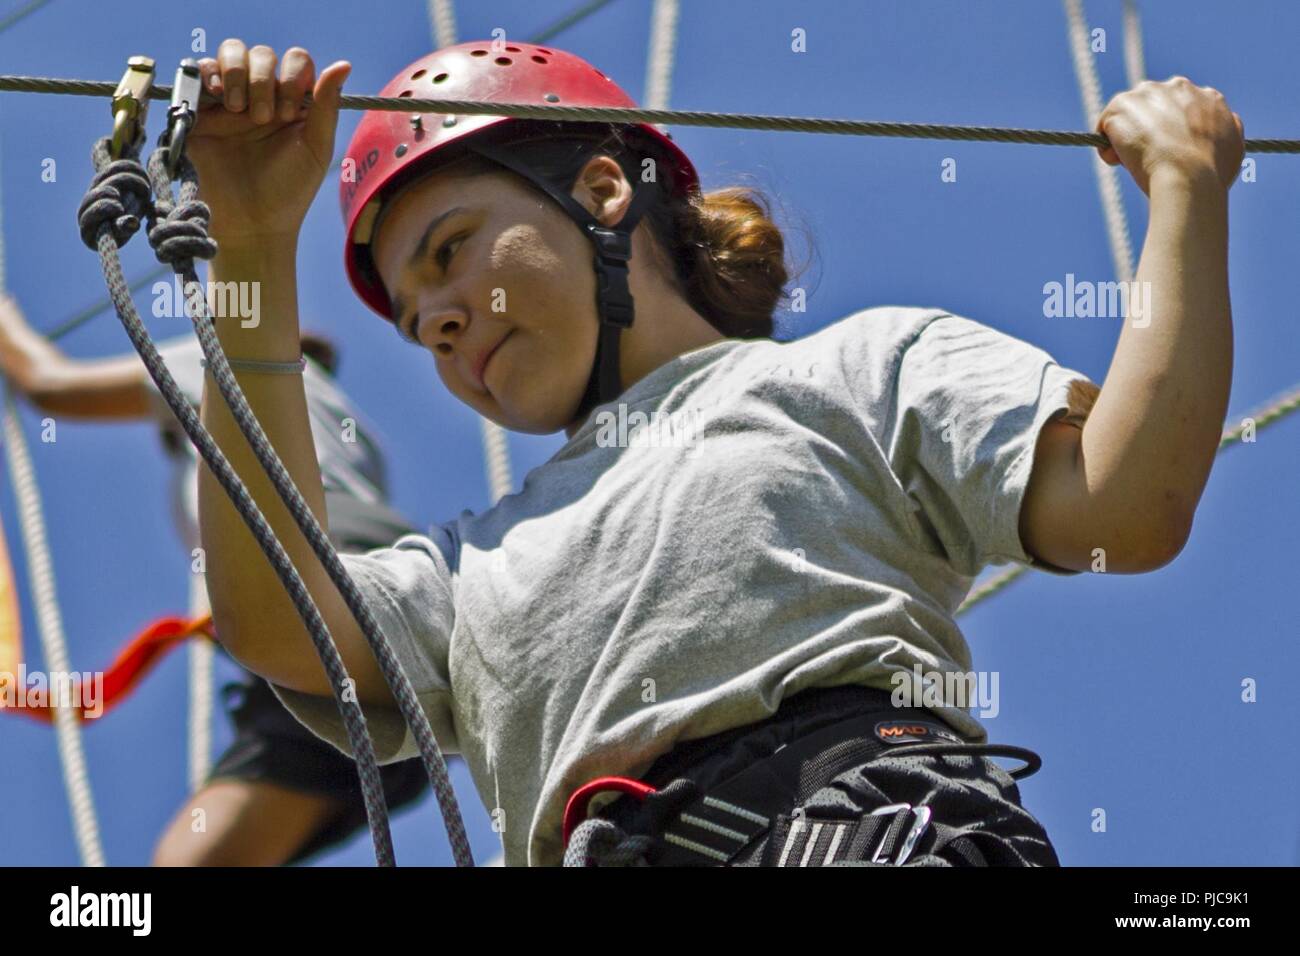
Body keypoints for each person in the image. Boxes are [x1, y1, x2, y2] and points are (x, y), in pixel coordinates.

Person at [185, 39, 1240, 866]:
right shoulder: (467, 572)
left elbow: (1122, 506)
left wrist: (1185, 189)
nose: (441, 326)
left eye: (451, 252)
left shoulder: (858, 368)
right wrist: (249, 245)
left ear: (604, 191)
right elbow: (275, 618)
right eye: (418, 325)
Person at [0, 296, 431, 865]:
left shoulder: (225, 366)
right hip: (385, 634)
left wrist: (6, 323)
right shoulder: (352, 431)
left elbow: (50, 384)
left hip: (313, 610)